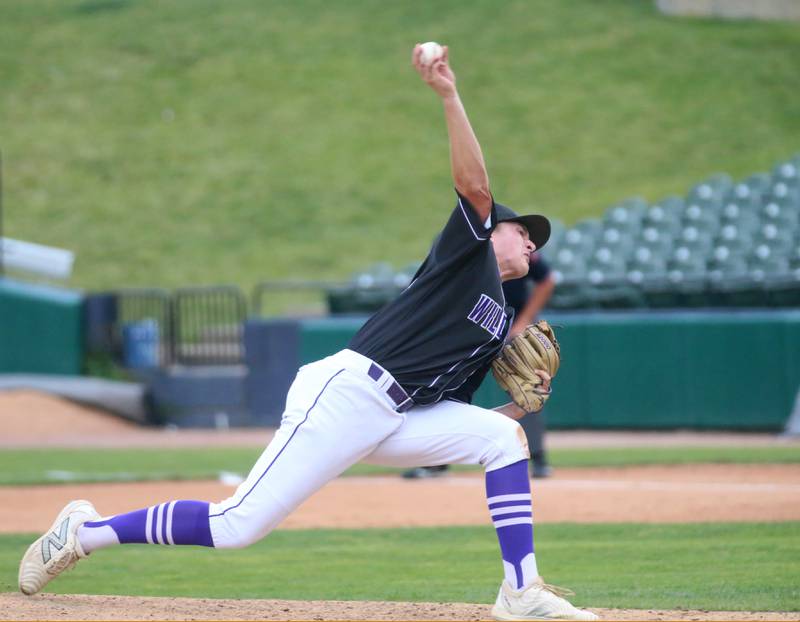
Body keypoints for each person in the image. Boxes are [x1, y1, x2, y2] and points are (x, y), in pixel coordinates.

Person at [18, 44, 597, 621]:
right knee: (236, 525)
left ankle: (520, 592)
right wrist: (448, 93)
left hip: (396, 418)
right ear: (492, 231)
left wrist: (520, 409)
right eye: (524, 231)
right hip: (348, 393)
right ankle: (85, 532)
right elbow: (474, 188)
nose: (531, 242)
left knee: (502, 443)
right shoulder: (464, 258)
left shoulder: (497, 319)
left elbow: (453, 417)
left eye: (537, 241)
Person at [403, 253, 556, 480]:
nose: (528, 241)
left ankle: (538, 457)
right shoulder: (462, 245)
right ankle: (436, 461)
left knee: (528, 389)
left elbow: (547, 279)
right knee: (449, 388)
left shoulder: (514, 246)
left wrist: (523, 321)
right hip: (473, 328)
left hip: (513, 328)